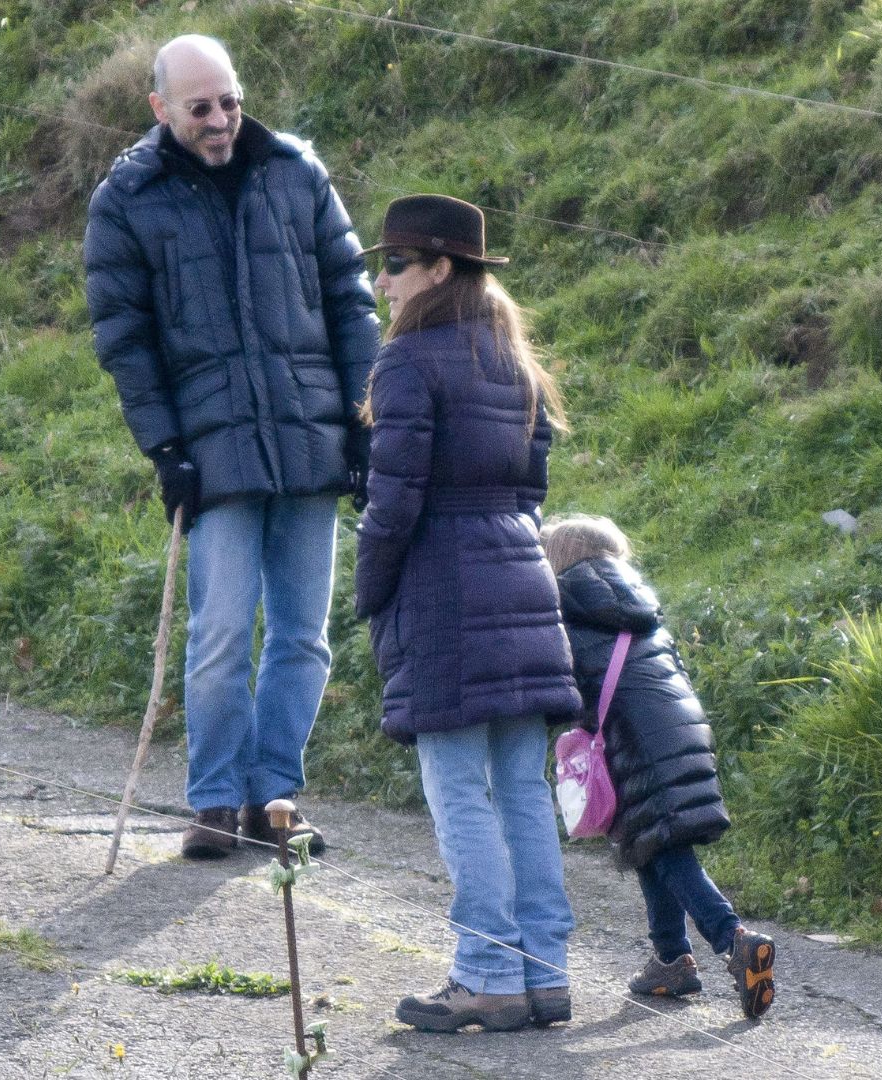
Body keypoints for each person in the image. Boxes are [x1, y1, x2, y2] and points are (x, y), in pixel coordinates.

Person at [84, 34, 379, 859]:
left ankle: (273, 799)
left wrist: (364, 418)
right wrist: (165, 449)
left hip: (310, 442)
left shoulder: (296, 170)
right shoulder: (127, 199)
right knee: (219, 634)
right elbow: (125, 341)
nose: (221, 121)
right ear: (161, 110)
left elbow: (350, 301)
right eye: (201, 108)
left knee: (302, 636)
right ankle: (215, 802)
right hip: (213, 454)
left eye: (231, 101)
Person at [354, 195, 582, 1032]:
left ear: (439, 269)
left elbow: (394, 500)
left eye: (397, 263)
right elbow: (532, 492)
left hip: (445, 589)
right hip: (523, 577)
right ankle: (542, 974)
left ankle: (487, 972)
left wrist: (371, 588)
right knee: (521, 787)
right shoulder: (514, 362)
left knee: (459, 791)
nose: (382, 280)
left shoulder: (408, 362)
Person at [542, 514, 776, 1019]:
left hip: (636, 748)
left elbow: (562, 692)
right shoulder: (639, 608)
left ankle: (733, 939)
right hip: (682, 735)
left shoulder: (569, 615)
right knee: (653, 842)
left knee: (668, 853)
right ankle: (671, 959)